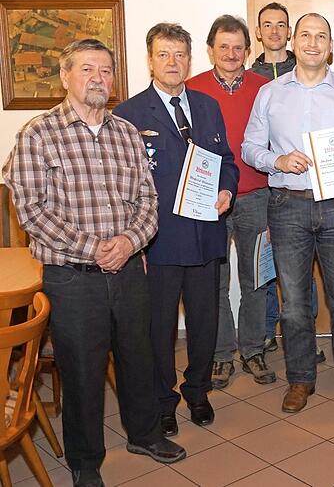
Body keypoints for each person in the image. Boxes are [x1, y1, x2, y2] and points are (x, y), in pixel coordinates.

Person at [4, 38, 185, 487]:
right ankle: (85, 461)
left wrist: (128, 242)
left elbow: (148, 200)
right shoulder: (37, 134)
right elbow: (31, 210)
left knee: (138, 356)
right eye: (86, 69)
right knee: (82, 371)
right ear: (65, 76)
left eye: (105, 70)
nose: (97, 78)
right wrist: (93, 248)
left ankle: (145, 434)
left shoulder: (127, 133)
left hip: (128, 269)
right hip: (72, 277)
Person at [243, 13, 334, 413]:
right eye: (305, 35)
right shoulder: (270, 93)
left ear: (330, 46)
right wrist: (278, 161)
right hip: (287, 207)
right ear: (293, 42)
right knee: (294, 305)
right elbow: (250, 147)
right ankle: (300, 380)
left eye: (321, 36)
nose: (313, 43)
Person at [114, 23, 239, 437]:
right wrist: (133, 242)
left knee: (204, 322)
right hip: (158, 241)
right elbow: (121, 184)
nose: (173, 62)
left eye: (180, 54)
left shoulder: (207, 106)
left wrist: (226, 189)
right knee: (159, 327)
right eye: (164, 54)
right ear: (150, 60)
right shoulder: (128, 114)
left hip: (205, 235)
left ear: (190, 59)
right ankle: (163, 400)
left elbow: (226, 161)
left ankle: (198, 391)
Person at [185, 15, 275, 390]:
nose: (231, 53)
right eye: (223, 46)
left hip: (257, 196)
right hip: (209, 200)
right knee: (214, 281)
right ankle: (221, 354)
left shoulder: (265, 88)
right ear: (210, 50)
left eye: (238, 47)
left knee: (256, 279)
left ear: (247, 51)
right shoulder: (191, 89)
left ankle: (253, 350)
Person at [249, 2, 325, 363]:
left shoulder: (313, 72)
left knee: (301, 274)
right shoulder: (252, 79)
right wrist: (275, 161)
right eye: (268, 25)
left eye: (281, 24)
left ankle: (305, 338)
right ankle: (266, 334)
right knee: (267, 268)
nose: (275, 31)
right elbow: (251, 140)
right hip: (266, 187)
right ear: (258, 32)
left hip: (310, 193)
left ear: (289, 33)